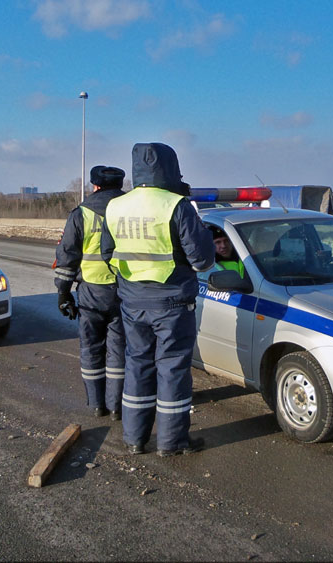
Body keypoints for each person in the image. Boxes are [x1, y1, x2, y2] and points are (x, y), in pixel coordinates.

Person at [101, 142, 215, 457]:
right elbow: (203, 261)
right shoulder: (177, 205)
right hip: (172, 304)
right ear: (171, 168)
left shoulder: (116, 206)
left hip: (132, 302)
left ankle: (134, 439)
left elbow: (108, 254)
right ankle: (171, 442)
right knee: (172, 370)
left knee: (137, 365)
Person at [55, 165, 128, 419]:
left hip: (91, 293)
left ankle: (97, 404)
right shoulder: (129, 210)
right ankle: (116, 406)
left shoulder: (81, 213)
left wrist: (63, 293)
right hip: (124, 291)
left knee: (91, 348)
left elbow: (67, 256)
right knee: (119, 350)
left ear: (95, 186)